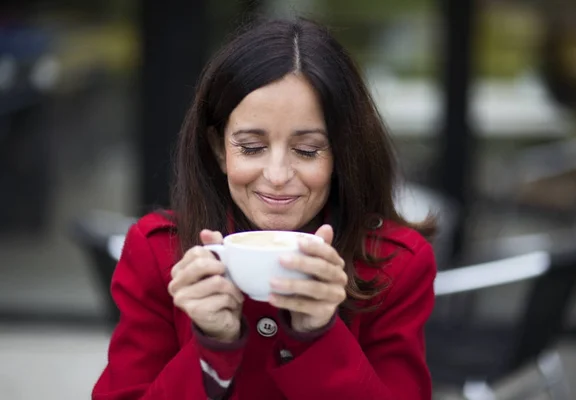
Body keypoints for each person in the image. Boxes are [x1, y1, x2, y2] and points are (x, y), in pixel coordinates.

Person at [92, 17, 437, 400]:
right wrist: (211, 349)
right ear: (219, 148)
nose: (276, 175)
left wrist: (318, 336)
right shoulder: (158, 252)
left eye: (307, 150)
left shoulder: (393, 263)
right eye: (251, 148)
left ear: (343, 153)